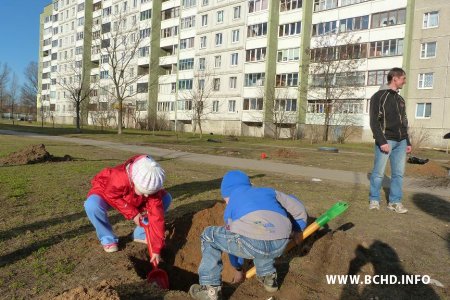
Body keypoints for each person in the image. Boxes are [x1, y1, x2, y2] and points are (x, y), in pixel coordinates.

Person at [189, 170, 307, 300]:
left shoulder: (231, 205)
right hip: (281, 241)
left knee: (208, 235)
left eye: (225, 199)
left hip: (252, 242)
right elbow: (297, 205)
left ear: (228, 194)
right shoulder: (269, 191)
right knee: (261, 235)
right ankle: (268, 277)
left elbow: (233, 238)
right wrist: (298, 229)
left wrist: (238, 269)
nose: (226, 202)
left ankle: (210, 289)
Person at [84, 155, 172, 262]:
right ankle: (108, 238)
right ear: (135, 181)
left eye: (150, 193)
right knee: (92, 205)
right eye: (144, 191)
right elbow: (111, 195)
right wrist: (133, 213)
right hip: (107, 191)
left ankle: (140, 233)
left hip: (132, 196)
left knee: (166, 199)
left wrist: (156, 248)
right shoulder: (119, 177)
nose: (147, 196)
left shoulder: (151, 189)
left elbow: (156, 217)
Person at [369, 67, 412, 214]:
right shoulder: (379, 96)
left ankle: (395, 202)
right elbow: (374, 122)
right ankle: (374, 199)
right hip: (386, 140)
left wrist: (408, 141)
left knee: (398, 174)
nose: (404, 82)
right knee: (379, 173)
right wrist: (382, 141)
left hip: (401, 142)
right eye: (403, 79)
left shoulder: (400, 99)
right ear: (395, 78)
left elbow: (404, 122)